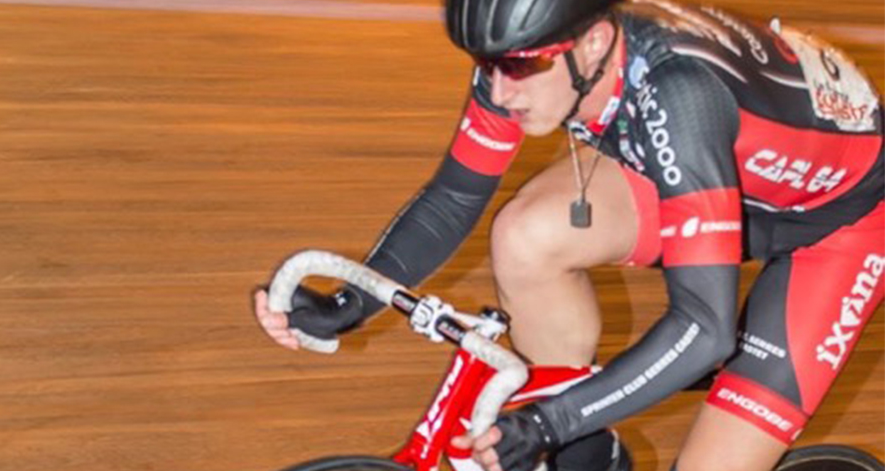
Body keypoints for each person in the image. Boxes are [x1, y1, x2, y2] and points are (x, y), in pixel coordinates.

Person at [253, 0, 884, 469]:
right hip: (711, 178)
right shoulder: (549, 62)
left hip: (840, 229)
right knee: (527, 236)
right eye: (486, 66)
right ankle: (590, 453)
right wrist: (353, 301)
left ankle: (572, 427)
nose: (499, 90)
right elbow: (451, 202)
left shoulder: (679, 98)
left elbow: (703, 327)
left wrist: (549, 424)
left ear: (594, 44)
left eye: (520, 66)